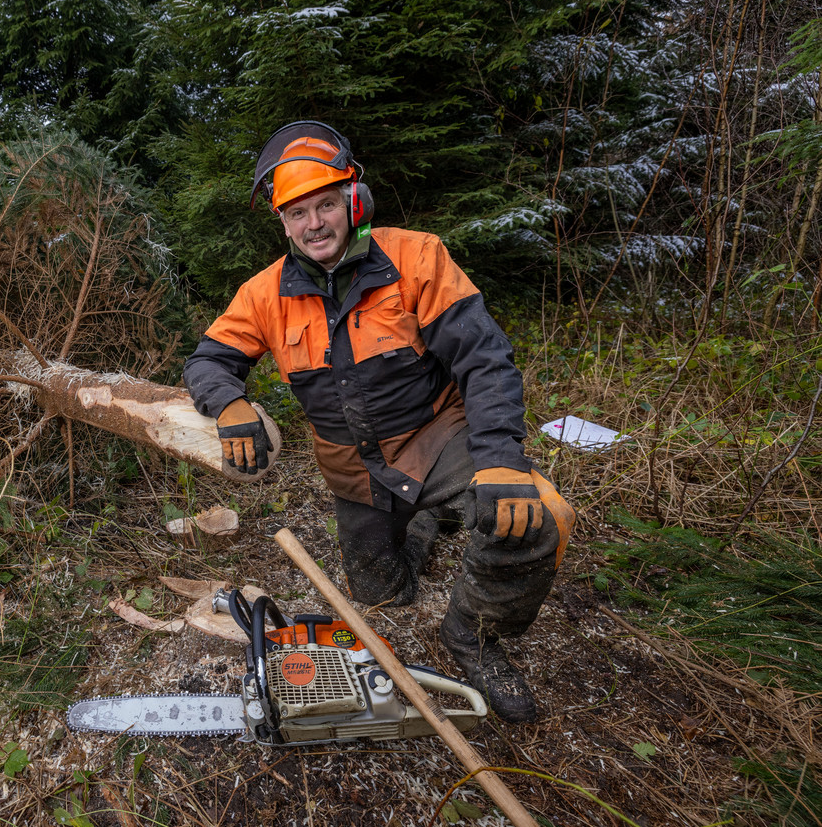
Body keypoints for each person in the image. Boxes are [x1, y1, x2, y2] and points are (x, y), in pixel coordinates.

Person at [182, 121, 574, 723]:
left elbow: (484, 357)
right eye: (298, 213)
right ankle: (423, 525)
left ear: (352, 202)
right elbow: (209, 359)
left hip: (439, 437)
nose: (314, 224)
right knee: (377, 595)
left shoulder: (416, 256)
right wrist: (228, 403)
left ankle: (473, 637)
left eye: (326, 205)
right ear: (282, 222)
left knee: (534, 519)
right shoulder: (264, 295)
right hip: (354, 470)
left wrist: (500, 455)